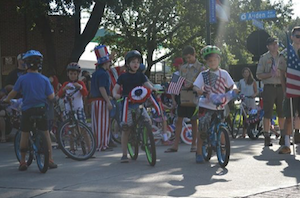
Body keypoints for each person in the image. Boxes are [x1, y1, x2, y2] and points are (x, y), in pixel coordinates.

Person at [3, 50, 57, 171]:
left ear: (26, 64)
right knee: (46, 133)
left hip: (27, 110)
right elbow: (51, 97)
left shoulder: (22, 79)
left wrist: (6, 100)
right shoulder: (44, 79)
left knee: (25, 134)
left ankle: (22, 161)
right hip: (42, 110)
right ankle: (50, 159)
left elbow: (13, 93)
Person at [193, 45, 238, 163]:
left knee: (222, 127)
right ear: (207, 62)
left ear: (219, 60)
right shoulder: (204, 75)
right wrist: (199, 90)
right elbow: (196, 86)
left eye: (214, 60)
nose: (212, 63)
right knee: (203, 128)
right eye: (210, 61)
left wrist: (234, 90)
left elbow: (232, 85)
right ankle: (198, 151)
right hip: (206, 105)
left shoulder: (224, 74)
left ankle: (223, 150)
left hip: (220, 104)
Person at [112, 50, 155, 163]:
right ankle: (124, 154)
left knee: (148, 121)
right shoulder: (123, 77)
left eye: (137, 62)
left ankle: (146, 138)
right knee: (126, 128)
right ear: (128, 64)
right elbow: (116, 88)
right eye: (133, 62)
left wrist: (153, 88)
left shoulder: (141, 76)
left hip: (139, 104)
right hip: (128, 105)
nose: (135, 64)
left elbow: (147, 85)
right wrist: (115, 94)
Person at [165, 46, 204, 153]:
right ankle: (175, 145)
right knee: (179, 120)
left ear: (194, 54)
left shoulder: (201, 67)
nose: (188, 60)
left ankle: (194, 144)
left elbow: (203, 82)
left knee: (194, 120)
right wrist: (173, 96)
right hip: (183, 96)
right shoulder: (183, 68)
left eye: (189, 57)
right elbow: (176, 83)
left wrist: (193, 86)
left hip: (195, 96)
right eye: (186, 58)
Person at [256, 37, 285, 147]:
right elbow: (258, 75)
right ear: (268, 46)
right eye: (272, 44)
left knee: (282, 113)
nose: (275, 46)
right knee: (267, 113)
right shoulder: (264, 58)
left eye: (276, 44)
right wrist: (270, 74)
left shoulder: (282, 56)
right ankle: (267, 136)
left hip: (280, 86)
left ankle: (283, 136)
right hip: (269, 87)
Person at [278, 26, 300, 154]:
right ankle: (286, 144)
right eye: (297, 36)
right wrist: (285, 89)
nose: (299, 39)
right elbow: (281, 74)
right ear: (292, 37)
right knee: (289, 117)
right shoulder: (286, 53)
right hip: (291, 89)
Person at [90, 45, 113, 151]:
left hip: (95, 101)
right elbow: (102, 88)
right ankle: (102, 145)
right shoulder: (103, 74)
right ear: (105, 63)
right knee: (103, 124)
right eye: (109, 62)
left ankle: (97, 144)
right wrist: (108, 101)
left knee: (96, 124)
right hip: (101, 100)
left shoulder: (95, 73)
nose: (110, 64)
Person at [237, 67, 258, 138]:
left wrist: (254, 95)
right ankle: (243, 133)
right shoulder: (241, 81)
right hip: (244, 99)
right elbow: (238, 90)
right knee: (244, 117)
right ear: (242, 74)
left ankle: (252, 130)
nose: (246, 74)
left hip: (251, 99)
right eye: (244, 72)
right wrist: (238, 95)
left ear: (249, 73)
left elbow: (256, 91)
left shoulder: (253, 81)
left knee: (252, 116)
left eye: (247, 72)